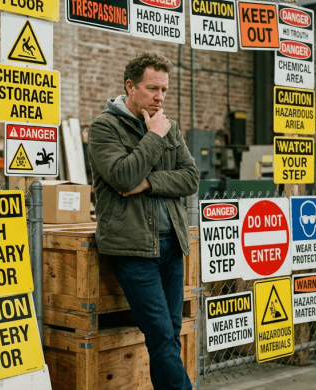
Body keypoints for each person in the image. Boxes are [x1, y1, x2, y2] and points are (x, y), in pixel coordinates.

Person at [88, 52, 199, 390]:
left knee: (169, 334)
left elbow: (191, 178)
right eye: (152, 89)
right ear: (130, 87)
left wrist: (149, 182)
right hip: (132, 248)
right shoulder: (104, 127)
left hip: (171, 246)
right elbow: (123, 177)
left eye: (164, 90)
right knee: (161, 334)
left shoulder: (170, 126)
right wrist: (153, 138)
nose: (159, 98)